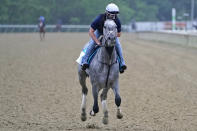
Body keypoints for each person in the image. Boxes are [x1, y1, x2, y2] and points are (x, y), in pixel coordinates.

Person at [81, 3, 127, 73]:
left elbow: (119, 34)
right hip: (99, 32)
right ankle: (84, 61)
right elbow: (91, 31)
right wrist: (97, 42)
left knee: (118, 44)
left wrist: (111, 36)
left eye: (115, 14)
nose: (114, 16)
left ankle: (122, 63)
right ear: (107, 13)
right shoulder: (99, 18)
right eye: (112, 14)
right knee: (92, 43)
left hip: (112, 34)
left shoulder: (117, 20)